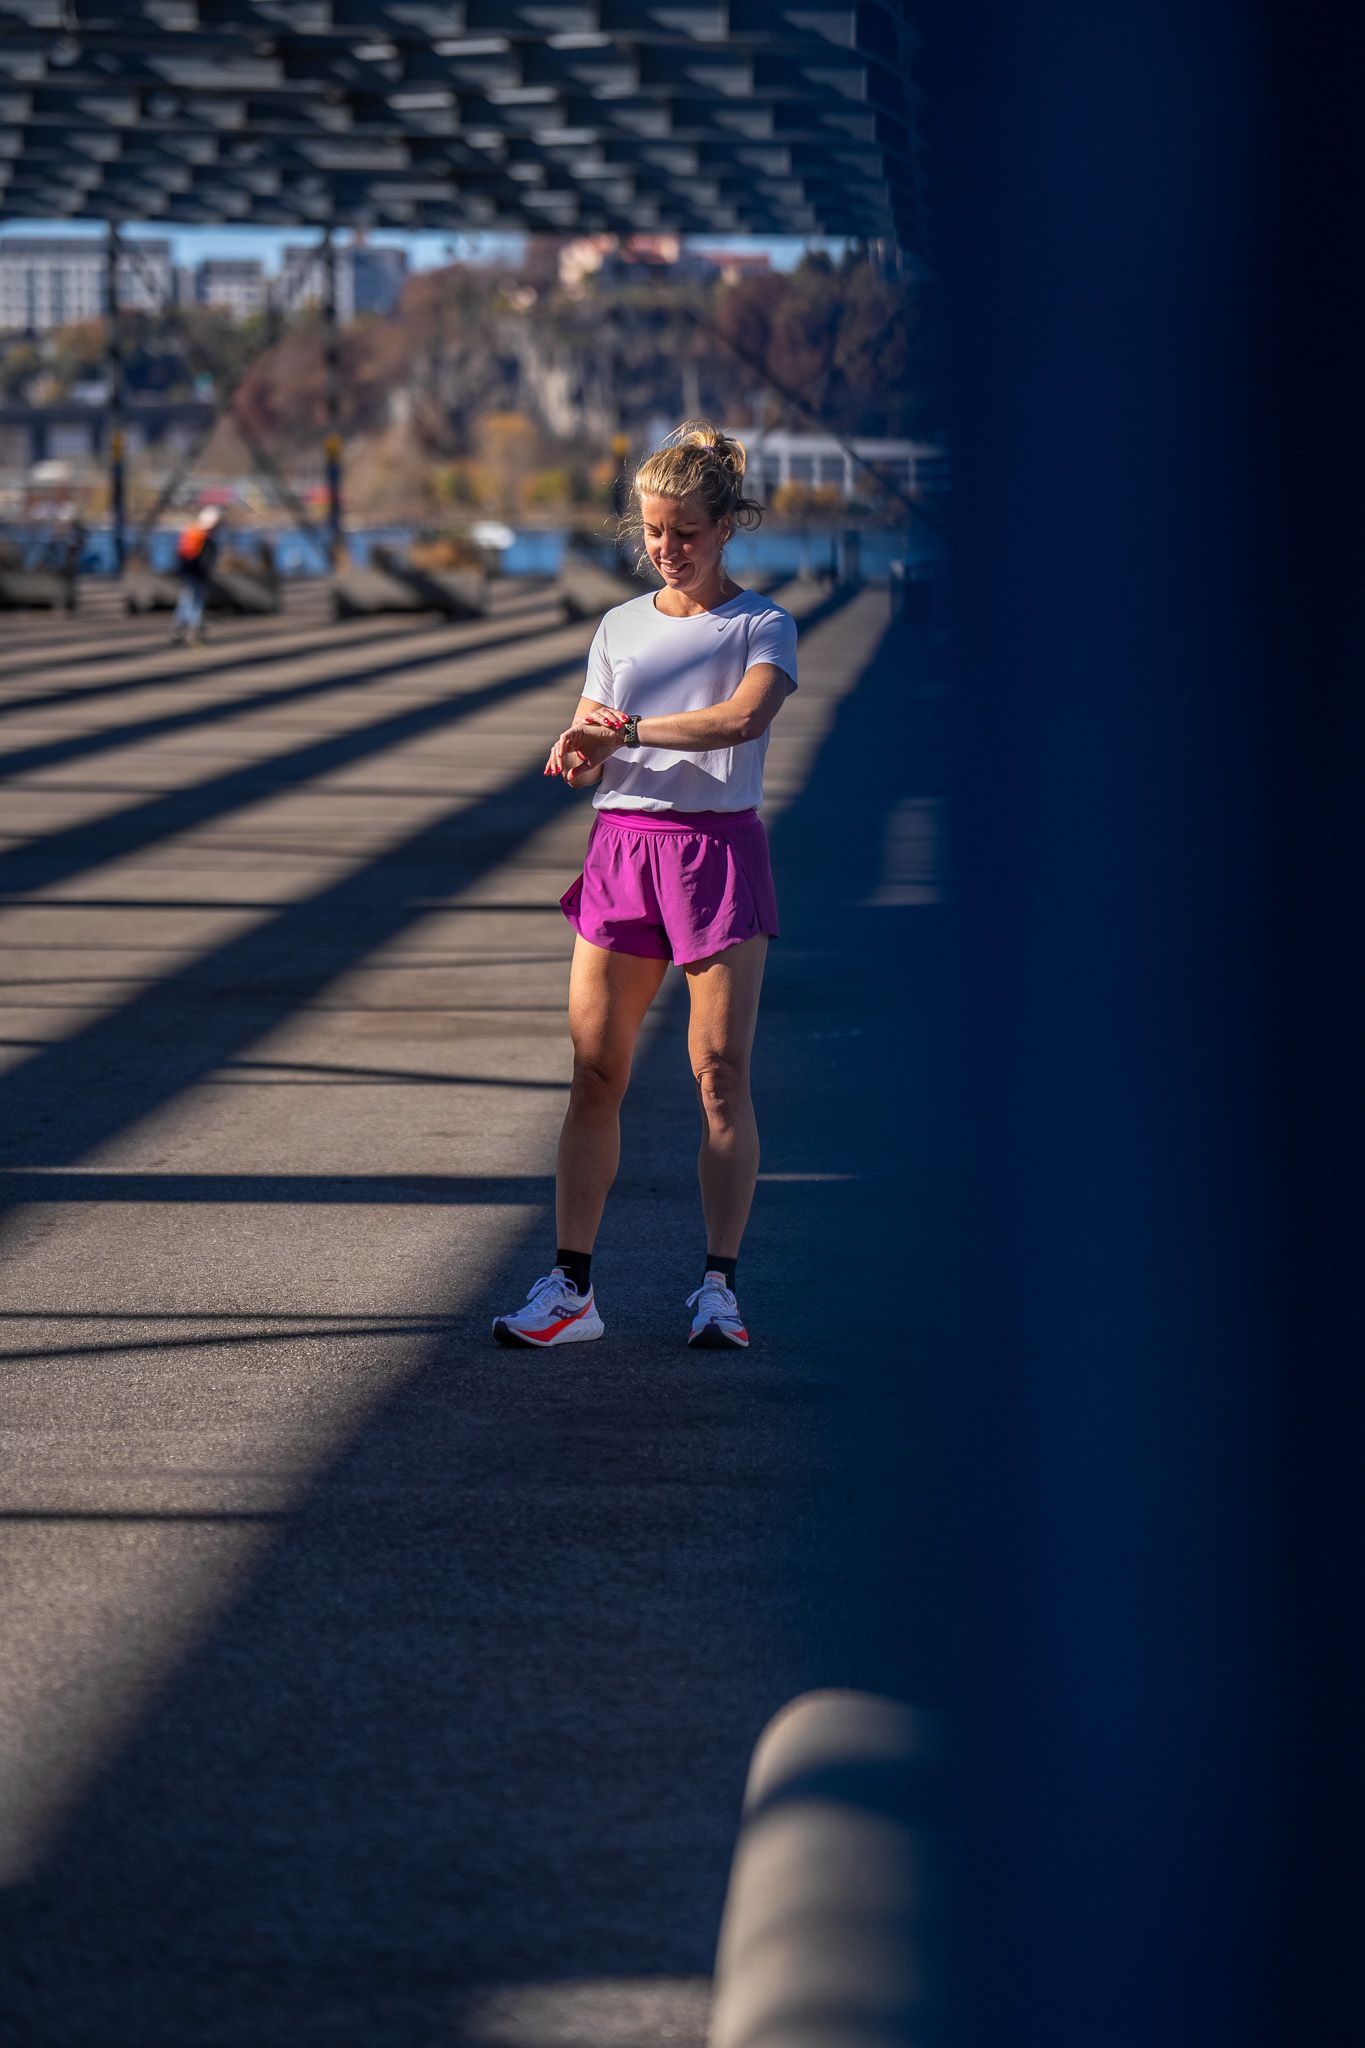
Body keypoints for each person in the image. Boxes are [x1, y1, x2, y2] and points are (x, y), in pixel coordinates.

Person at [493, 423, 798, 1352]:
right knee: (594, 1074)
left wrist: (624, 730)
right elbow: (597, 744)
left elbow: (740, 721)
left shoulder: (762, 626)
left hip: (715, 856)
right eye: (653, 532)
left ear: (727, 525)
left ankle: (717, 1289)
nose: (667, 549)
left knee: (718, 1078)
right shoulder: (617, 627)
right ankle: (571, 1289)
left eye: (686, 533)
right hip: (622, 849)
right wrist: (580, 748)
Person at [169, 506, 222, 646]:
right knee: (194, 601)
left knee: (187, 600)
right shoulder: (198, 535)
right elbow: (190, 557)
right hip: (194, 573)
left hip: (193, 573)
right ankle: (194, 630)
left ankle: (180, 629)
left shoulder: (196, 534)